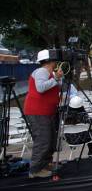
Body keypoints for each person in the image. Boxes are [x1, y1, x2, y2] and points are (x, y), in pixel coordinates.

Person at [24, 49, 63, 178]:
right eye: (55, 60)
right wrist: (56, 78)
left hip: (46, 111)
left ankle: (45, 164)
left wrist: (57, 79)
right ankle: (35, 170)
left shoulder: (49, 72)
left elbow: (53, 87)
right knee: (43, 140)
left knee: (50, 139)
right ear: (49, 61)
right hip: (38, 111)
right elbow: (41, 88)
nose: (56, 62)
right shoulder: (42, 71)